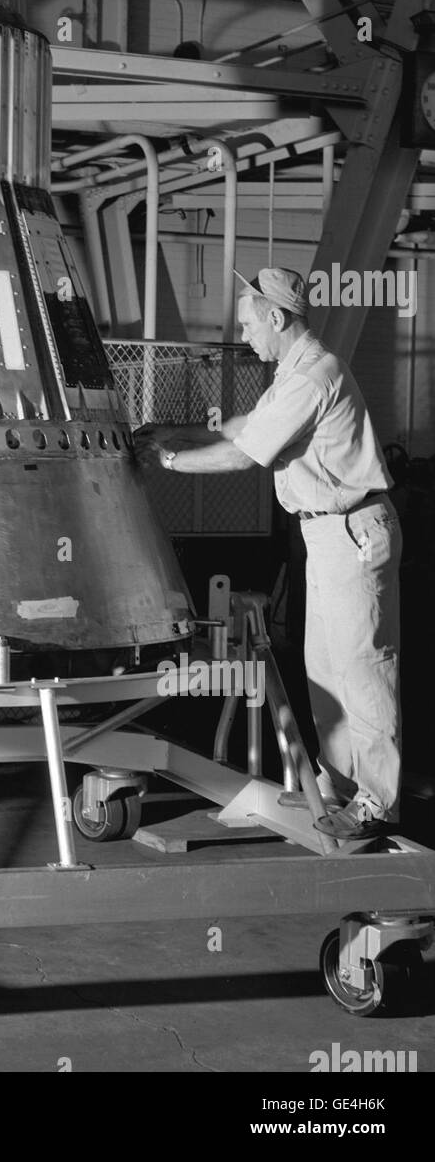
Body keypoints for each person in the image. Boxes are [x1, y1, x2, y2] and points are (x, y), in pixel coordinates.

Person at [134, 267, 401, 841]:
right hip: (325, 534)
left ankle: (376, 801)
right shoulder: (294, 372)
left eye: (249, 323)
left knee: (361, 668)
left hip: (350, 531)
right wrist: (171, 433)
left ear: (276, 318)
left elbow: (245, 456)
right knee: (325, 671)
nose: (245, 334)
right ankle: (338, 787)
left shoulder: (312, 376)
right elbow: (241, 427)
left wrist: (171, 464)